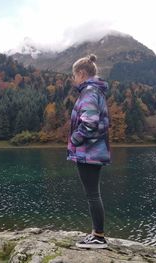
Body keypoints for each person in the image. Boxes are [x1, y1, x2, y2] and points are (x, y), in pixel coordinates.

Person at [67, 54, 111, 249]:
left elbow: (90, 122)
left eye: (74, 75)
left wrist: (75, 139)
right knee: (94, 193)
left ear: (82, 74)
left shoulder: (89, 92)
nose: (73, 79)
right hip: (94, 150)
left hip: (89, 151)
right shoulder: (95, 91)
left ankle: (98, 237)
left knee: (93, 194)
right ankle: (97, 234)